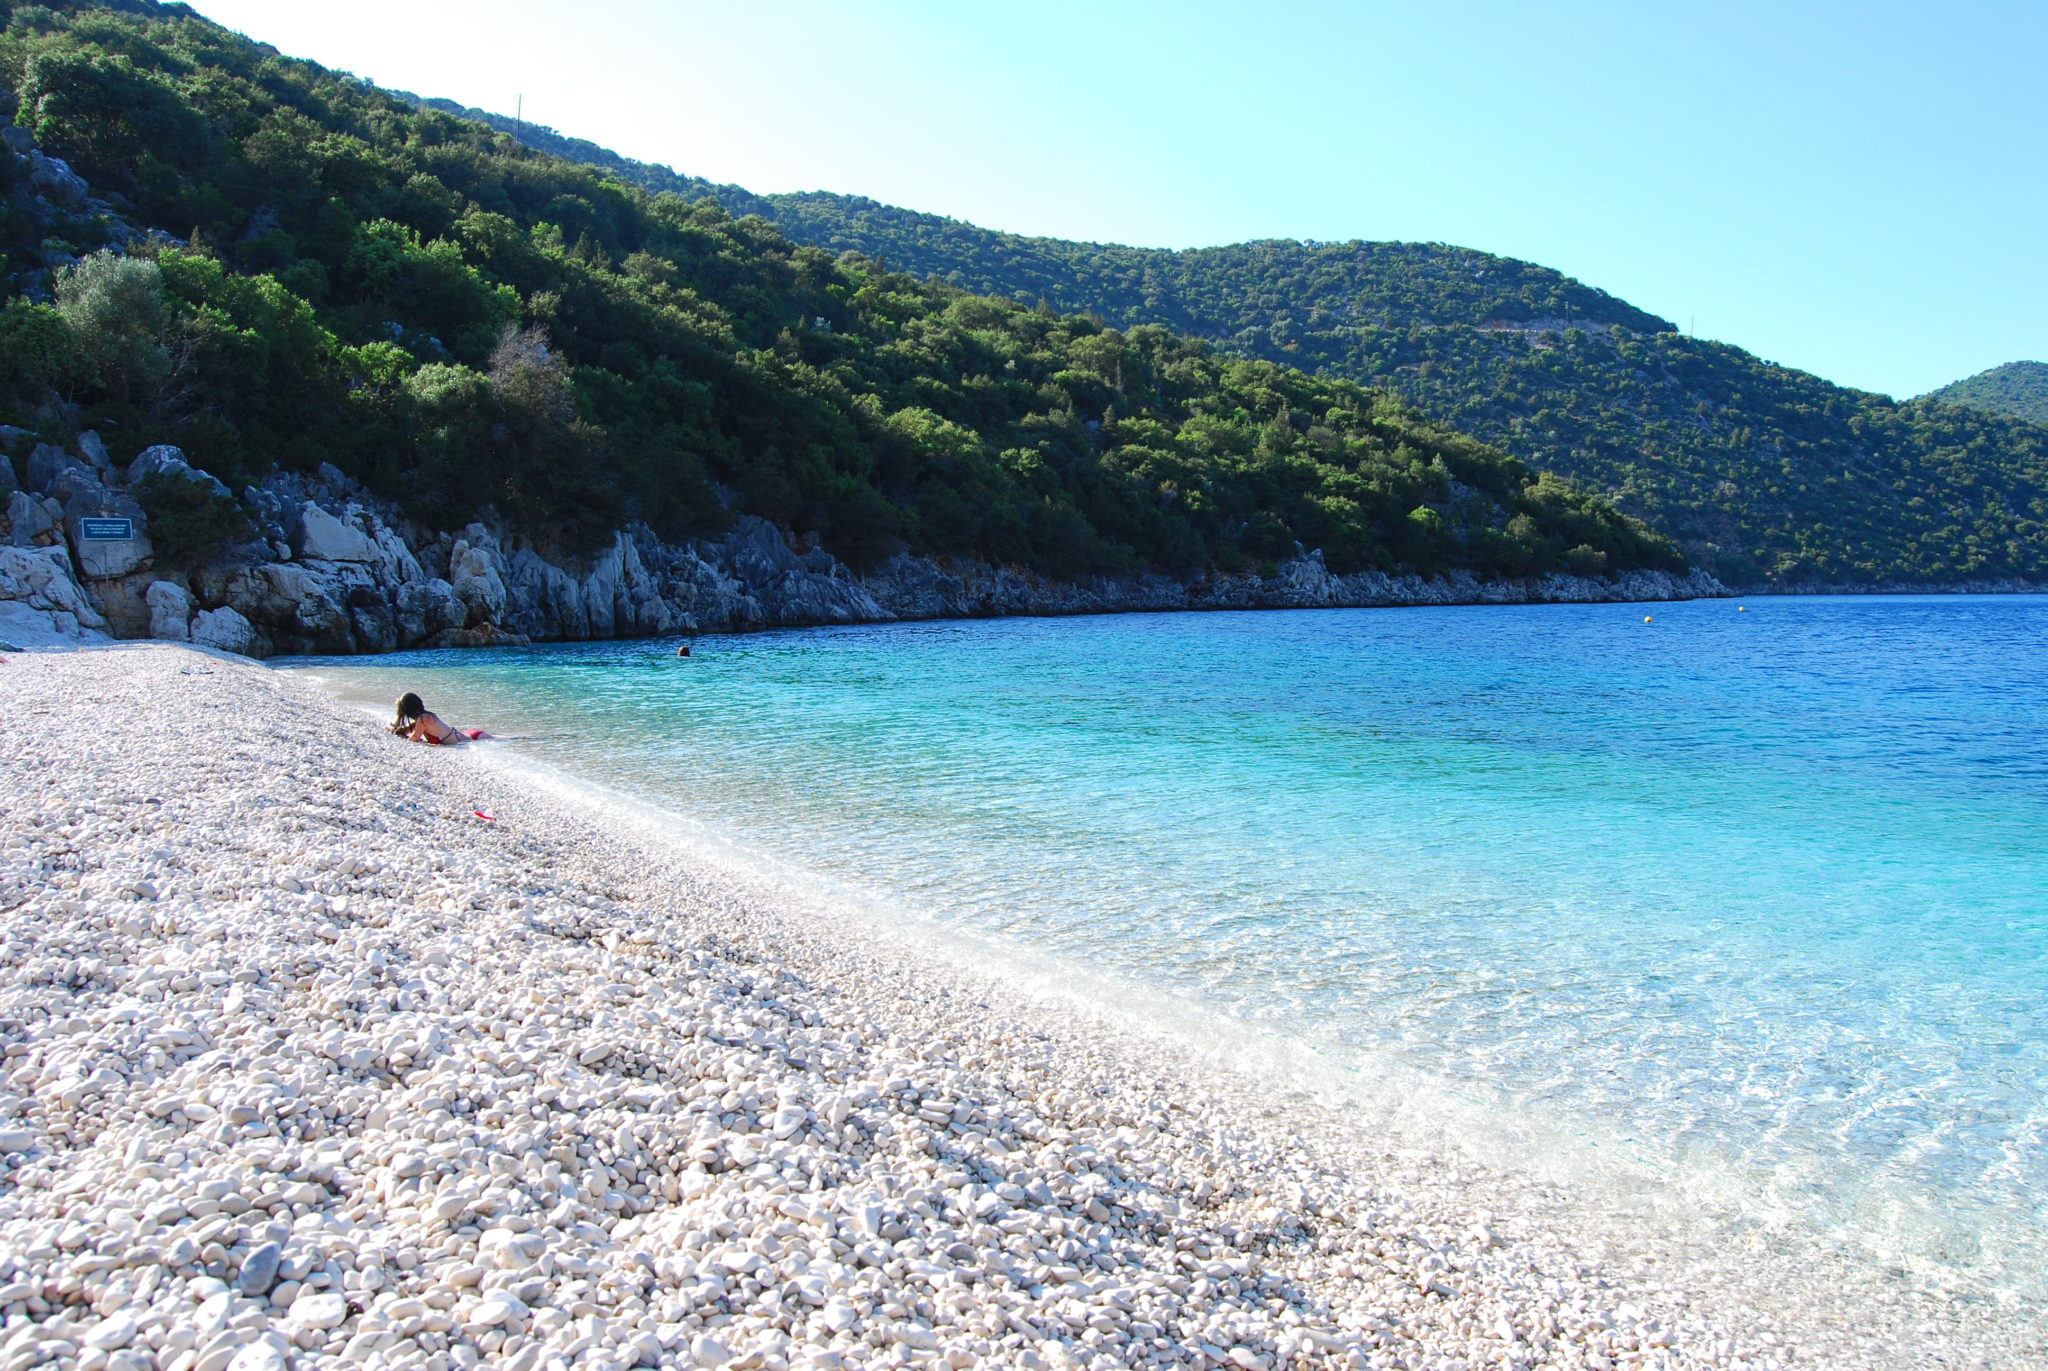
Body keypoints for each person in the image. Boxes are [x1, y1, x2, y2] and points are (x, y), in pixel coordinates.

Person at [390, 692, 490, 745]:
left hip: (472, 738)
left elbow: (414, 739)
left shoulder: (423, 719)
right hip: (468, 735)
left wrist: (400, 715)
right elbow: (402, 731)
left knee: (505, 740)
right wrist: (400, 716)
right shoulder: (425, 718)